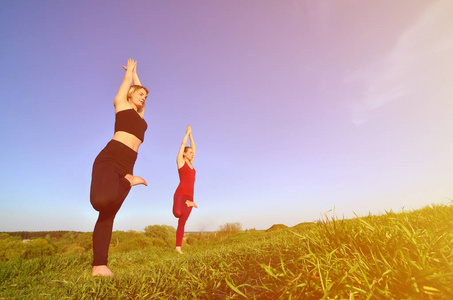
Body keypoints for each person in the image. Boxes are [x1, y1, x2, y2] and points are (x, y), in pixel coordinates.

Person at [90, 58, 149, 276]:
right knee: (100, 202)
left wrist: (139, 83)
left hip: (129, 162)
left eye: (145, 96)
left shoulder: (141, 117)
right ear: (130, 93)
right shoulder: (121, 104)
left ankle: (99, 266)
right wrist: (132, 73)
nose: (143, 97)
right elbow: (127, 84)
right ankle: (129, 181)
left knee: (107, 215)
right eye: (140, 94)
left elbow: (143, 96)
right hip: (111, 158)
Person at [173, 125, 197, 254]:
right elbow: (183, 144)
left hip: (190, 197)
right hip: (180, 195)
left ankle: (178, 248)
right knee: (177, 213)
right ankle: (187, 204)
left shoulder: (191, 164)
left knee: (182, 222)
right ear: (184, 154)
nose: (192, 154)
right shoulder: (180, 162)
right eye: (190, 152)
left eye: (192, 153)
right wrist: (187, 134)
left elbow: (195, 148)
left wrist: (192, 135)